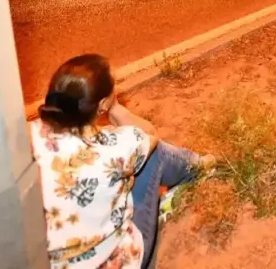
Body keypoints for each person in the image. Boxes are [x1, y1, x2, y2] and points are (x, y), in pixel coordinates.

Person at [31, 54, 214, 269]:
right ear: (102, 103)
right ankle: (200, 166)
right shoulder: (113, 149)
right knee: (155, 154)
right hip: (115, 262)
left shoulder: (30, 135)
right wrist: (115, 108)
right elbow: (149, 136)